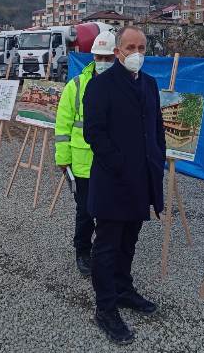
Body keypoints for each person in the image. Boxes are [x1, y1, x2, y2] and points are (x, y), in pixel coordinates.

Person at [83, 26, 166, 345]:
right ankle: (105, 307)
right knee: (106, 245)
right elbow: (94, 132)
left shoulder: (149, 84)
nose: (136, 53)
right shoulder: (100, 86)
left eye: (141, 47)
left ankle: (123, 288)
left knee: (129, 239)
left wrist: (158, 156)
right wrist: (119, 163)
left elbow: (155, 126)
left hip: (143, 178)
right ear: (117, 51)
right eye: (130, 47)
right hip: (114, 180)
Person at [55, 30, 116, 277]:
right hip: (83, 163)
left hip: (113, 163)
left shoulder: (124, 84)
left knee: (110, 211)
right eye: (98, 57)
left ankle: (105, 252)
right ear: (92, 56)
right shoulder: (77, 85)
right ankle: (82, 251)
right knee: (85, 212)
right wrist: (62, 158)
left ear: (116, 56)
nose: (102, 63)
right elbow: (63, 125)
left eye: (107, 58)